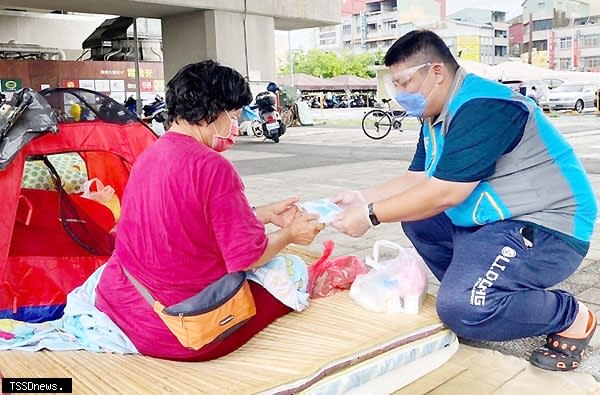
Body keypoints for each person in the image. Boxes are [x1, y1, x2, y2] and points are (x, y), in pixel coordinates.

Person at [332, 30, 598, 372]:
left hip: (548, 228)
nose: (398, 94)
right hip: (496, 224)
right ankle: (479, 290)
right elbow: (416, 179)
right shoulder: (436, 115)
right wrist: (360, 198)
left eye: (403, 82)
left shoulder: (484, 106)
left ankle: (570, 316)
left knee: (462, 309)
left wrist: (369, 216)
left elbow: (446, 193)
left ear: (436, 72)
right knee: (416, 217)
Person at [95, 60, 325, 361]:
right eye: (233, 115)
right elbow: (248, 256)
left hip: (123, 307)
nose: (235, 126)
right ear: (213, 110)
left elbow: (187, 220)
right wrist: (290, 234)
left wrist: (264, 213)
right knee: (292, 271)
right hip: (179, 332)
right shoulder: (213, 167)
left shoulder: (150, 154)